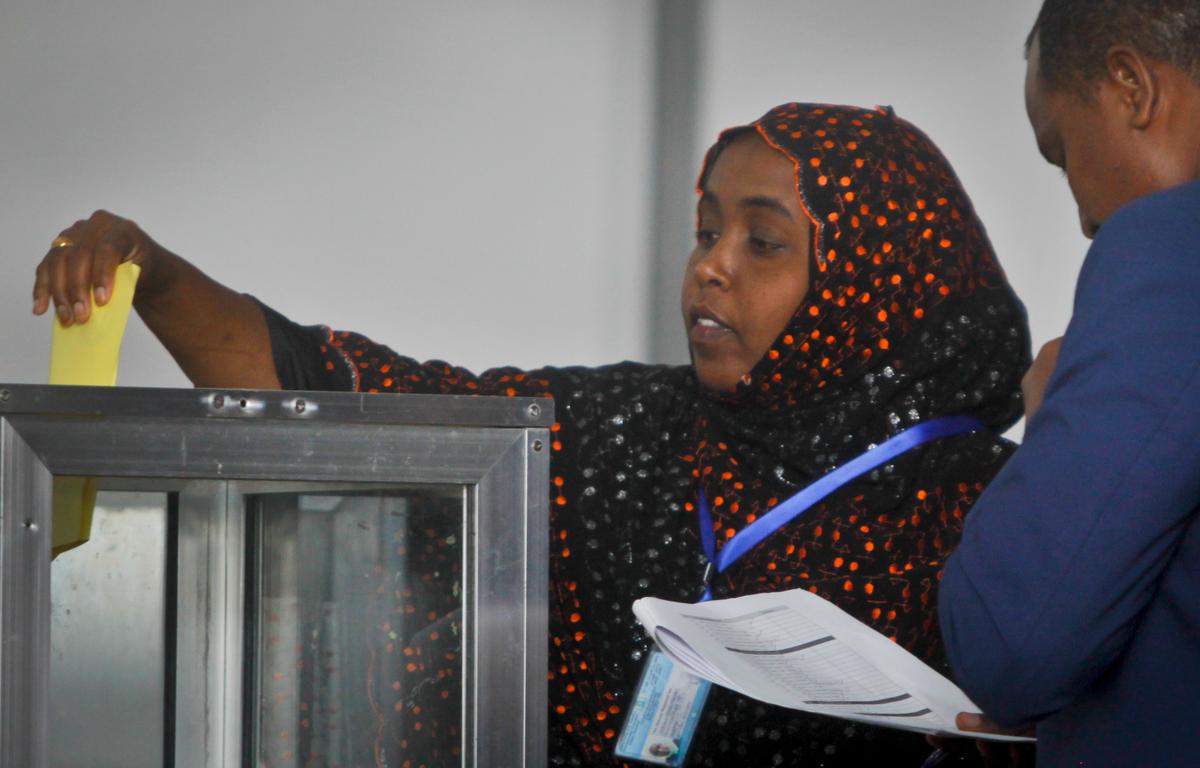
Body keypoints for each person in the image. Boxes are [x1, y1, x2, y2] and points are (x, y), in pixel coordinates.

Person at [35, 103, 1031, 766]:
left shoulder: (997, 512)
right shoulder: (631, 430)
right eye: (705, 230)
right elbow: (349, 402)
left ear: (876, 281)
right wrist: (153, 273)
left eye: (762, 242)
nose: (710, 270)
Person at [938, 1, 1200, 766]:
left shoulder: (1167, 248)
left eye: (1062, 153)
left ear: (1130, 87)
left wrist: (1051, 420)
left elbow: (1011, 645)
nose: (1084, 217)